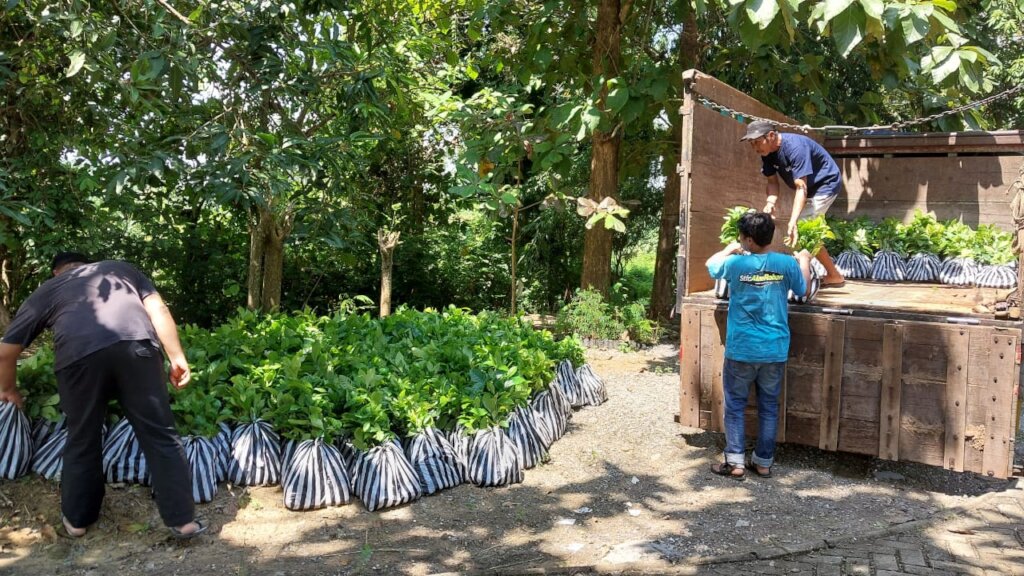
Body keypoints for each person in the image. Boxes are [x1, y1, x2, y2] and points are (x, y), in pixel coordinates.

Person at [0, 252, 206, 539]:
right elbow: (158, 310)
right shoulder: (122, 269)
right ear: (89, 265)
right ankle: (183, 522)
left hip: (78, 361)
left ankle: (77, 521)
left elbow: (6, 352)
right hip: (137, 349)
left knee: (83, 436)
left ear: (56, 272)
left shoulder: (48, 290)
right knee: (160, 434)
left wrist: (8, 390)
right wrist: (177, 356)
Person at [706, 212, 812, 480]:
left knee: (735, 405)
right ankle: (763, 463)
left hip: (741, 348)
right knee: (768, 406)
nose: (740, 242)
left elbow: (711, 266)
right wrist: (805, 261)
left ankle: (735, 463)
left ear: (749, 240)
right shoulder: (786, 263)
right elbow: (803, 290)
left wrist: (728, 249)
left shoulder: (736, 265)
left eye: (741, 238)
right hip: (774, 349)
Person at [741, 119, 845, 287]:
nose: (755, 148)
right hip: (806, 187)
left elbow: (801, 188)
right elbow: (772, 182)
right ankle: (832, 275)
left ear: (772, 136)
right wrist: (770, 201)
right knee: (806, 229)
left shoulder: (795, 147)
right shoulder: (766, 153)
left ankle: (826, 275)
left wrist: (793, 221)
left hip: (825, 183)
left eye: (757, 142)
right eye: (751, 144)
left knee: (804, 227)